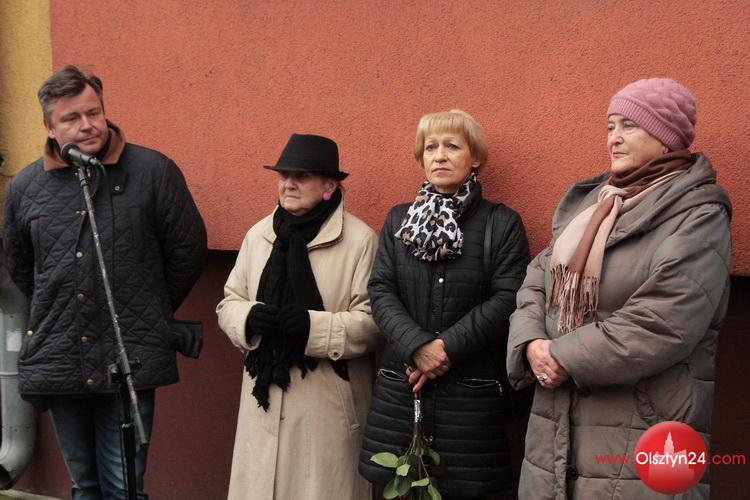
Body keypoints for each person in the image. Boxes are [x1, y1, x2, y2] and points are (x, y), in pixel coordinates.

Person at [507, 78, 732, 499]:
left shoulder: (699, 214)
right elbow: (536, 281)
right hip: (556, 424)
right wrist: (531, 342)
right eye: (610, 126)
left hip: (642, 424)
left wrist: (562, 356)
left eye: (629, 125)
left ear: (666, 138)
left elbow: (664, 318)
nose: (613, 138)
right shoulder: (592, 205)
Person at [3, 65, 207, 499]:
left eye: (93, 112)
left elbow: (187, 250)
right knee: (84, 486)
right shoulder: (25, 187)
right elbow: (23, 266)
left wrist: (147, 306)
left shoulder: (151, 171)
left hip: (127, 355)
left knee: (123, 486)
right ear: (50, 127)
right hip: (60, 355)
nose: (87, 125)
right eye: (71, 118)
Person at [359, 109, 531, 500]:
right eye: (430, 147)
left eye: (452, 146)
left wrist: (444, 348)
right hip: (402, 392)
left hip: (468, 396)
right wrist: (416, 346)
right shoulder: (398, 220)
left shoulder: (501, 224)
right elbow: (381, 289)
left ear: (475, 158)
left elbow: (509, 296)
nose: (439, 155)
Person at [216, 133, 381, 500]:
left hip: (327, 406)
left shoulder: (360, 241)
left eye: (301, 176)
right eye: (283, 175)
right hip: (264, 399)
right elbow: (229, 302)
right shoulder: (259, 235)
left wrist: (313, 327)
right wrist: (249, 318)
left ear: (329, 186)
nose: (288, 183)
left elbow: (373, 322)